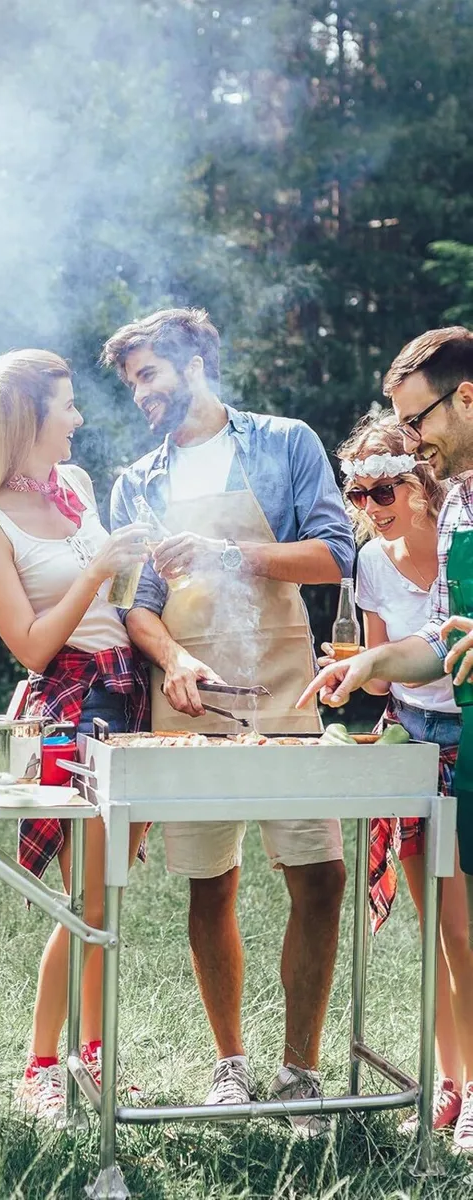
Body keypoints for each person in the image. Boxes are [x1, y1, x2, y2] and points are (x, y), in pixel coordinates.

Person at [103, 307, 355, 1132]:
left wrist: (226, 555)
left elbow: (333, 554)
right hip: (191, 701)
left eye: (149, 374)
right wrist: (174, 659)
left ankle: (301, 1074)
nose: (140, 393)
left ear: (196, 360)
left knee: (319, 877)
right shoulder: (135, 481)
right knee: (211, 885)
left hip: (286, 686)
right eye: (132, 381)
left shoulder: (284, 442)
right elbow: (137, 606)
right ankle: (230, 1067)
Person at [0, 350, 151, 1123]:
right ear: (27, 418)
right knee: (88, 901)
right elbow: (32, 647)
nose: (77, 418)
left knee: (106, 897)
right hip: (69, 703)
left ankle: (91, 1054)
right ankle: (41, 1066)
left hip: (125, 692)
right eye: (65, 406)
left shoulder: (78, 487)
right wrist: (98, 570)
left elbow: (115, 603)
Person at [300, 326, 473, 1152]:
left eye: (383, 490)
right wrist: (357, 669)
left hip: (460, 731)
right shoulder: (374, 560)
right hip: (414, 738)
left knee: (464, 928)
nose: (370, 509)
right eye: (359, 495)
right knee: (440, 922)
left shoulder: (455, 529)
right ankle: (453, 1081)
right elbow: (406, 662)